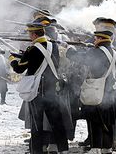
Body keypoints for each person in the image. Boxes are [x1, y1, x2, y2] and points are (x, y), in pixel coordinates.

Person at [5, 22, 69, 154]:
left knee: (36, 124)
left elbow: (19, 68)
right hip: (53, 90)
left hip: (38, 91)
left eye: (30, 34)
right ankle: (63, 149)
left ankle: (37, 151)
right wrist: (23, 56)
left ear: (34, 34)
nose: (29, 36)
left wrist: (11, 58)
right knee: (57, 122)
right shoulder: (54, 46)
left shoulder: (32, 49)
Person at [70, 30, 116, 154]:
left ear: (100, 39)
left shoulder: (96, 52)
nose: (94, 40)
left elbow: (79, 58)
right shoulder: (114, 52)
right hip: (109, 91)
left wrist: (70, 49)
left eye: (96, 38)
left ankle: (96, 147)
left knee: (95, 120)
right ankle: (106, 148)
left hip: (96, 90)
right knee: (107, 121)